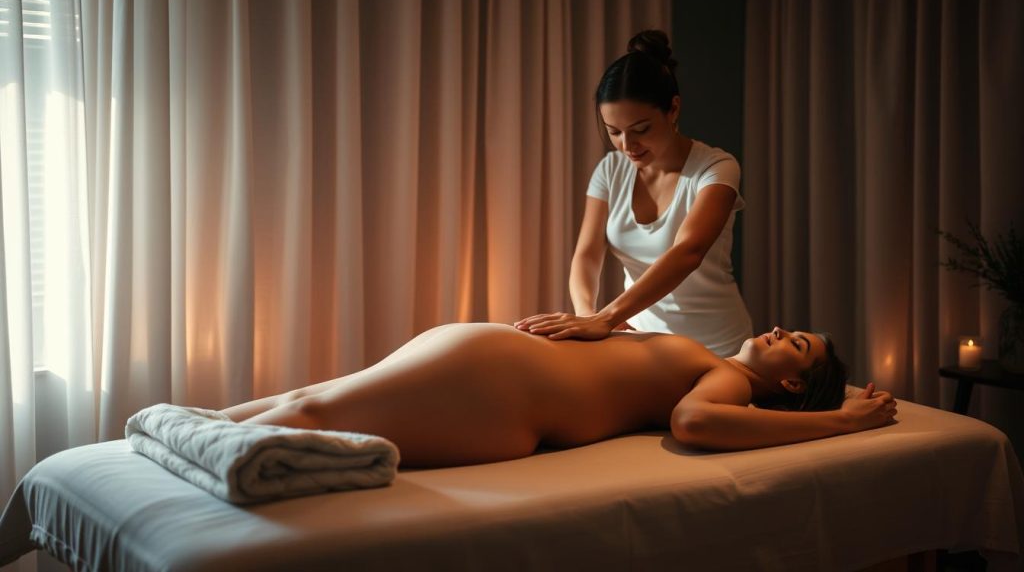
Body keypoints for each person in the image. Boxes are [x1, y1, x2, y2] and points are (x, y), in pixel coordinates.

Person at [222, 323, 897, 468]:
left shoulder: (730, 384)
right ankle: (182, 431)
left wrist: (841, 421)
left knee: (314, 408)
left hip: (502, 387)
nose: (779, 329)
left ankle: (189, 438)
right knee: (309, 396)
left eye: (796, 344)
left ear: (789, 384)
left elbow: (694, 423)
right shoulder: (707, 357)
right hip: (498, 371)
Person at [515, 30, 752, 356]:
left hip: (717, 345)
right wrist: (588, 316)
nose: (628, 146)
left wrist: (608, 317)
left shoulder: (717, 168)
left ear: (673, 109)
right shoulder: (611, 171)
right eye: (614, 132)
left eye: (641, 130)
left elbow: (688, 252)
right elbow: (586, 255)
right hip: (643, 342)